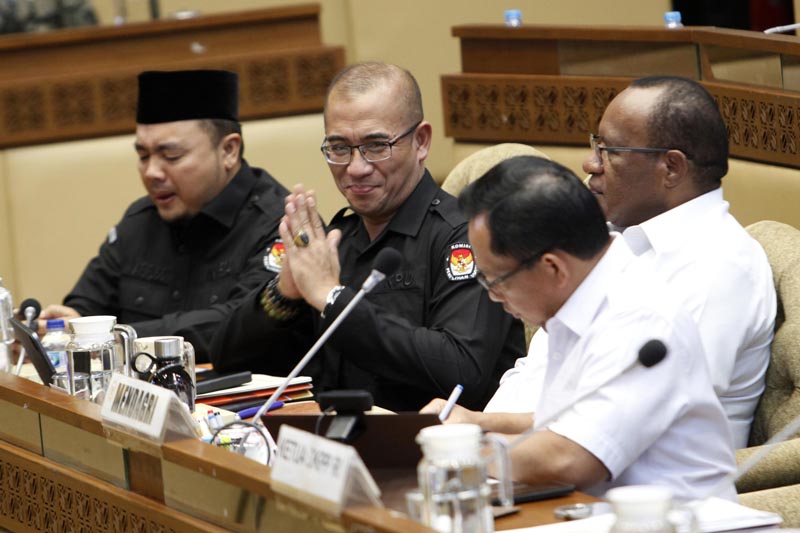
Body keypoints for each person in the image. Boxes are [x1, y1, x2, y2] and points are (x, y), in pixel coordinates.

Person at [210, 62, 525, 412]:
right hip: (333, 443)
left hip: (431, 449)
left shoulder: (465, 236)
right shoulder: (336, 240)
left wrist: (333, 299)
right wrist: (283, 294)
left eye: (376, 146)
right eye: (339, 147)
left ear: (420, 142)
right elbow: (226, 357)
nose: (356, 168)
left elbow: (462, 370)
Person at [484, 76, 776, 449]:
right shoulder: (616, 239)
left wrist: (484, 441)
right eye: (596, 144)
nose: (590, 163)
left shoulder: (720, 267)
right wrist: (471, 431)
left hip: (634, 488)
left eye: (609, 150)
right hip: (534, 462)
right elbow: (539, 367)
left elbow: (626, 421)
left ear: (671, 168)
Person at [422, 155, 736, 501]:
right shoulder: (578, 300)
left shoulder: (640, 320)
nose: (493, 296)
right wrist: (475, 423)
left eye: (495, 280)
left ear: (553, 268)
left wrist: (457, 451)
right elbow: (567, 422)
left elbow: (571, 457)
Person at [40, 70, 288, 362]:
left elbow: (241, 323)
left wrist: (115, 338)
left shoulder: (278, 224)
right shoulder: (140, 221)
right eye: (143, 156)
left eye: (170, 156)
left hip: (251, 402)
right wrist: (70, 323)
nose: (151, 173)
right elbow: (87, 304)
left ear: (229, 151)